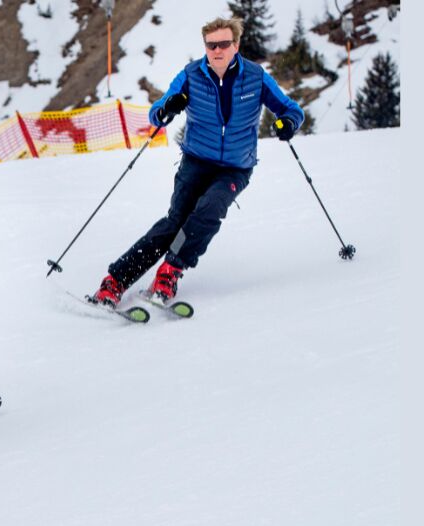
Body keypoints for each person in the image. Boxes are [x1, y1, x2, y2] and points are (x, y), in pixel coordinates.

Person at [90, 17, 305, 308]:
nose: (217, 50)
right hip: (195, 161)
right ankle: (114, 282)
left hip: (235, 166)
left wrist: (289, 123)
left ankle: (170, 271)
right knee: (174, 223)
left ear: (236, 45)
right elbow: (157, 112)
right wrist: (168, 107)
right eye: (211, 45)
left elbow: (291, 109)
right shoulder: (191, 75)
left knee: (209, 209)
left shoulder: (256, 77)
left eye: (224, 44)